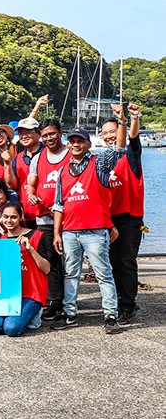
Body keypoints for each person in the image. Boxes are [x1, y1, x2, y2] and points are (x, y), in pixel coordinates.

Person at [52, 117, 127, 335]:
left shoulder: (100, 163)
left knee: (103, 273)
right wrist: (57, 233)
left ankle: (110, 315)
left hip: (95, 230)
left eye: (80, 141)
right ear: (68, 143)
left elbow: (120, 149)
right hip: (69, 232)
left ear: (88, 144)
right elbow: (59, 205)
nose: (76, 144)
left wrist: (122, 122)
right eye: (72, 140)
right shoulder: (63, 172)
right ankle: (70, 314)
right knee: (70, 274)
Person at [100, 104, 144, 324]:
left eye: (113, 131)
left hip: (128, 218)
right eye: (105, 133)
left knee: (126, 261)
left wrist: (131, 118)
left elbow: (134, 138)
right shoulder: (101, 161)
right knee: (110, 262)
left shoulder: (130, 155)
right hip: (107, 219)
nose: (109, 136)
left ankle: (128, 305)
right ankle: (115, 301)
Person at [26, 118, 71, 321]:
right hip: (44, 218)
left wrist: (62, 210)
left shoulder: (71, 154)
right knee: (50, 261)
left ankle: (71, 302)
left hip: (70, 218)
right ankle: (55, 301)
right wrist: (31, 195)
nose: (49, 138)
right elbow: (31, 185)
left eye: (52, 133)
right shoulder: (38, 158)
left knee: (70, 262)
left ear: (60, 132)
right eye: (45, 135)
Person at [0, 202, 50, 337]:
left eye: (13, 217)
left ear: (21, 217)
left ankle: (35, 314)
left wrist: (31, 249)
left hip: (31, 293)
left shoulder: (36, 236)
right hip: (9, 294)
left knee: (11, 328)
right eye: (6, 217)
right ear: (1, 218)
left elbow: (47, 269)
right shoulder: (1, 240)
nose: (9, 221)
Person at [12, 117, 45, 228]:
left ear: (38, 133)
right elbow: (13, 185)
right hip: (27, 215)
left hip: (48, 215)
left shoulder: (49, 154)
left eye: (29, 132)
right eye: (21, 133)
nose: (24, 136)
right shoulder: (17, 159)